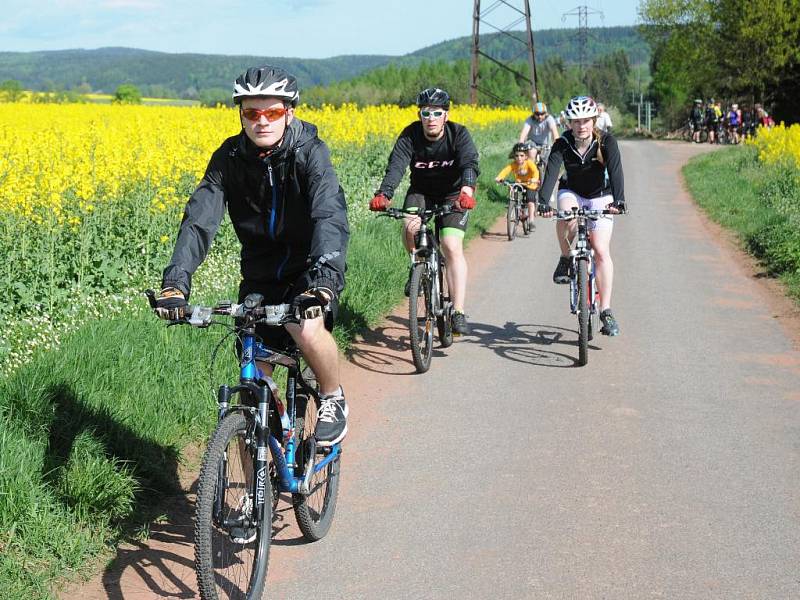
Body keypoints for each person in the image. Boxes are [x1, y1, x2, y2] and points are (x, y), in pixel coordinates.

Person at [153, 65, 350, 447]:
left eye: (272, 112)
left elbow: (329, 214)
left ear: (289, 113)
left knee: (306, 328)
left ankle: (331, 397)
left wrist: (324, 280)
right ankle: (255, 479)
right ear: (241, 114)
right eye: (251, 113)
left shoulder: (310, 153)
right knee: (251, 380)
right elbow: (199, 221)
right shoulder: (228, 158)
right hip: (258, 276)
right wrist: (175, 284)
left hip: (308, 272)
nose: (262, 121)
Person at [369, 87, 479, 336]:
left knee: (451, 245)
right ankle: (418, 265)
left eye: (437, 113)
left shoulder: (458, 134)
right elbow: (396, 166)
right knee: (410, 227)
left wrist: (467, 191)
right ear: (420, 114)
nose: (431, 118)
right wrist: (384, 194)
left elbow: (469, 164)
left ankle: (458, 311)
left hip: (454, 195)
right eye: (426, 112)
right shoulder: (410, 135)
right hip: (421, 192)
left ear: (446, 115)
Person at [537, 96, 626, 336]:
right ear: (568, 123)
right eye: (576, 121)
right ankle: (566, 258)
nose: (581, 126)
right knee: (566, 217)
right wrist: (543, 201)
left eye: (586, 121)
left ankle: (606, 310)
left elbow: (616, 172)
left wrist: (619, 200)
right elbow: (552, 173)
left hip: (601, 195)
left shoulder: (606, 142)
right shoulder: (562, 143)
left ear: (594, 120)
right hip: (572, 191)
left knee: (600, 250)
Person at [495, 142, 540, 230]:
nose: (519, 158)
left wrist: (534, 179)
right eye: (517, 156)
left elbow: (535, 171)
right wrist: (499, 177)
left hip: (530, 184)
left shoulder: (529, 163)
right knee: (512, 188)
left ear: (526, 156)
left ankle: (531, 221)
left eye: (522, 155)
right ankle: (514, 205)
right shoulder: (513, 164)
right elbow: (506, 170)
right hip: (519, 183)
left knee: (530, 201)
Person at [519, 101, 560, 166]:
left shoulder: (549, 119)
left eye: (542, 114)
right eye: (537, 114)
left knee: (547, 161)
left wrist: (557, 144)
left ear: (546, 113)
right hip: (532, 142)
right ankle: (531, 172)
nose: (540, 116)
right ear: (533, 114)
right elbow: (524, 131)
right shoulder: (530, 119)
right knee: (532, 152)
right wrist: (521, 142)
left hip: (545, 144)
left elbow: (554, 132)